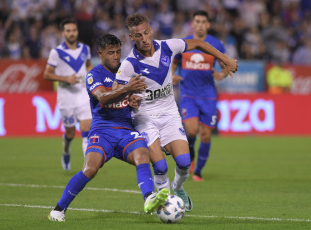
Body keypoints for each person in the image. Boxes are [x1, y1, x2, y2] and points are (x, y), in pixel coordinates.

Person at [116, 13, 238, 212]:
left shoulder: (167, 46)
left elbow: (198, 43)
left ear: (151, 30)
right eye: (138, 35)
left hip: (170, 115)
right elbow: (115, 91)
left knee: (183, 162)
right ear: (131, 37)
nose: (144, 38)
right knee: (161, 167)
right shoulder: (129, 65)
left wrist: (225, 59)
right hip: (145, 118)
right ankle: (165, 205)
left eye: (146, 32)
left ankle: (178, 188)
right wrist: (127, 98)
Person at [48, 34, 169, 222]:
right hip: (102, 131)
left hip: (126, 131)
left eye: (118, 52)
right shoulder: (94, 75)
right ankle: (58, 209)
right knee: (90, 168)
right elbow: (103, 97)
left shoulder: (127, 71)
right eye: (111, 52)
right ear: (101, 53)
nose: (115, 56)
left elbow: (136, 98)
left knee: (142, 154)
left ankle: (149, 198)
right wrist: (127, 89)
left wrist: (134, 100)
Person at [171, 10, 230, 182]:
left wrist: (222, 74)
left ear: (208, 25)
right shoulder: (184, 43)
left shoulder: (216, 44)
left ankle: (198, 171)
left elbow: (226, 64)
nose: (200, 24)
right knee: (191, 130)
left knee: (205, 135)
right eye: (197, 21)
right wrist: (172, 76)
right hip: (188, 95)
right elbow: (174, 63)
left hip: (209, 96)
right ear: (193, 23)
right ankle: (190, 157)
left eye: (204, 21)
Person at [44, 18, 92, 171]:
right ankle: (66, 149)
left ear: (77, 31)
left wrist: (94, 76)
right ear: (63, 33)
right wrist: (66, 79)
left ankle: (88, 166)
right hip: (66, 97)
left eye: (74, 30)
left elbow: (88, 65)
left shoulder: (85, 49)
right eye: (68, 31)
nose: (72, 34)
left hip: (83, 94)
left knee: (86, 130)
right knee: (70, 133)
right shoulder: (56, 53)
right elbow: (47, 74)